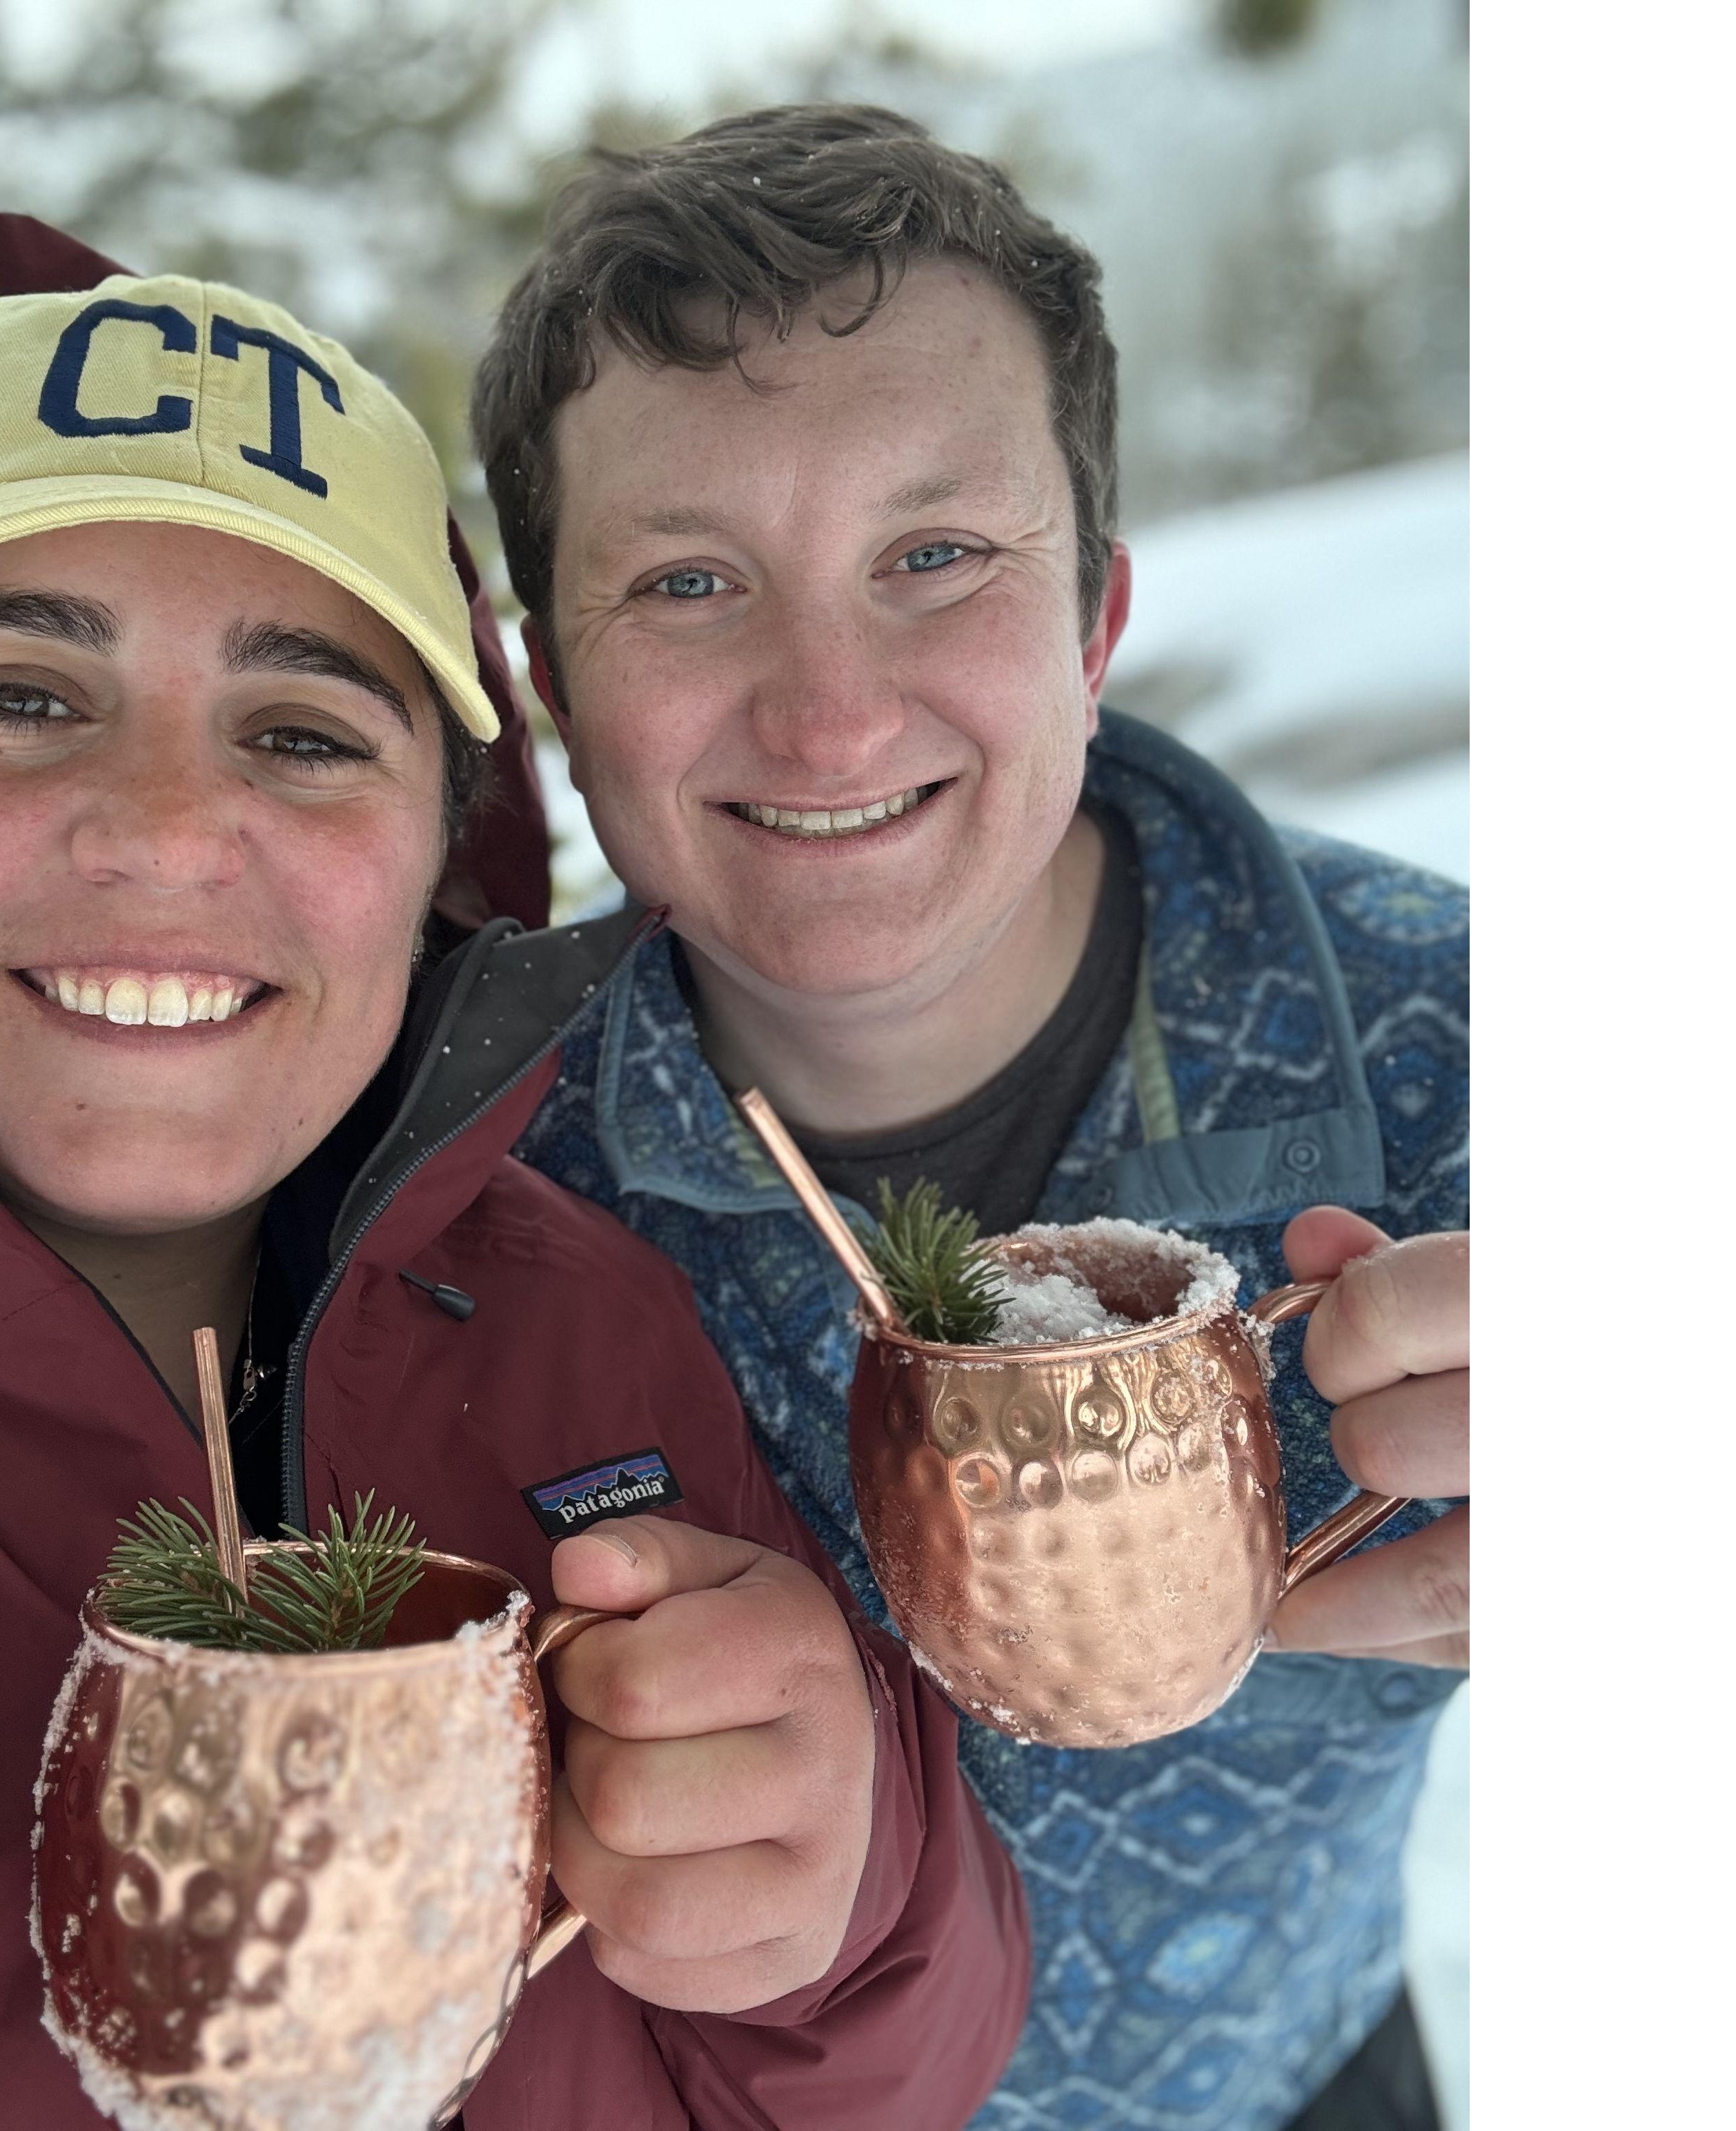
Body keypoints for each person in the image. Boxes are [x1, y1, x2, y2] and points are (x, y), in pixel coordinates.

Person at [0, 266, 1029, 2128]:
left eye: (308, 733)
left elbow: (862, 2074)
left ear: (441, 853)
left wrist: (848, 1887)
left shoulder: (580, 1316)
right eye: (16, 694)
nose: (170, 825)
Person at [470, 105, 1470, 2131]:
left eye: (936, 556)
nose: (830, 711)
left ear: (1093, 616)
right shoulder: (456, 1170)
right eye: (687, 580)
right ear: (561, 695)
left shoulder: (1465, 1038)